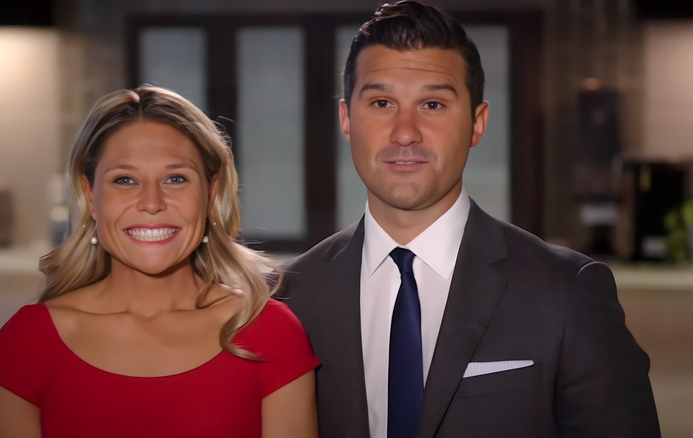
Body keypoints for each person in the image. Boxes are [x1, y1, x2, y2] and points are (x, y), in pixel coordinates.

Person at [276, 1, 660, 437]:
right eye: (382, 103)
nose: (405, 132)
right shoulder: (292, 297)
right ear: (347, 119)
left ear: (477, 124)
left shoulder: (566, 292)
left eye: (433, 105)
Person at [0, 85, 319, 438]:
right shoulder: (29, 342)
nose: (152, 202)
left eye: (176, 179)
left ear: (211, 193)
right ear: (90, 197)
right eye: (124, 180)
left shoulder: (270, 332)